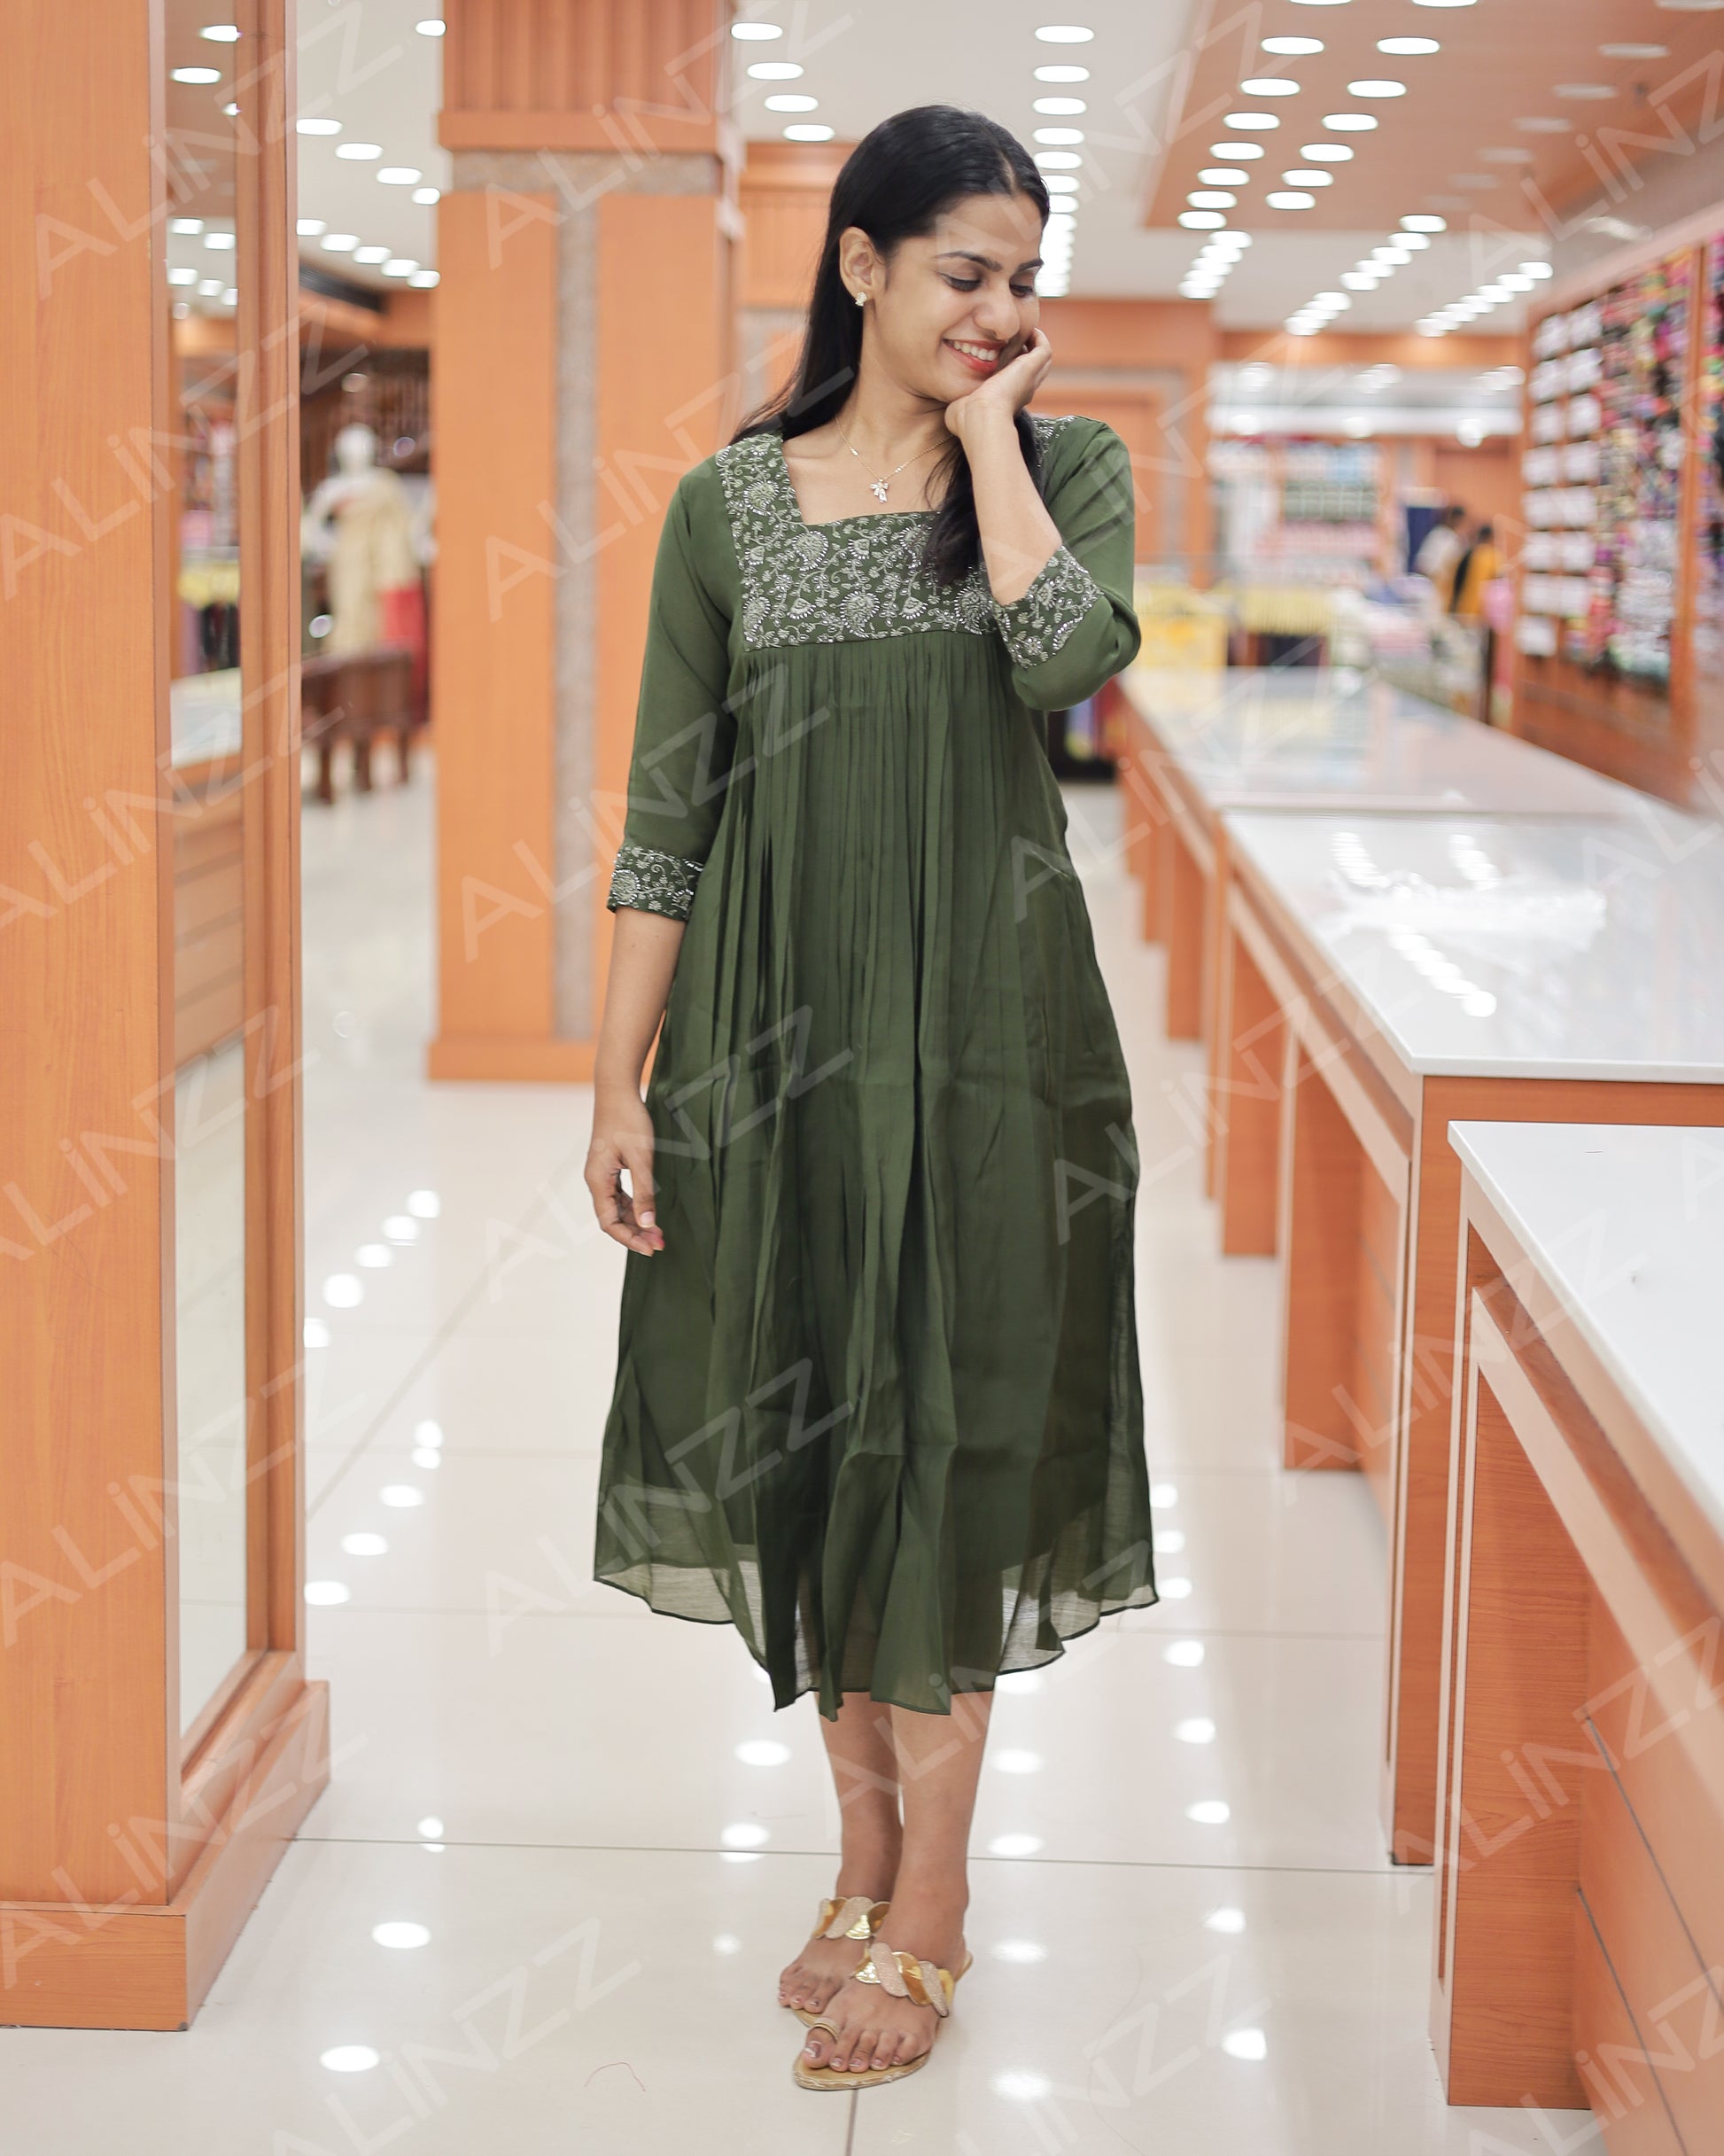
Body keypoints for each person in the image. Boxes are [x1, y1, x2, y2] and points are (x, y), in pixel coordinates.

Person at [582, 105, 1158, 2093]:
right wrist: (617, 1076)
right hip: (770, 1034)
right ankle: (856, 1851)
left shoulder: (1068, 468)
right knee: (816, 1419)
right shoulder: (725, 506)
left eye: (1023, 281)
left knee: (953, 1425)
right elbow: (667, 813)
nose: (997, 310)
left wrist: (990, 440)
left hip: (991, 1029)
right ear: (859, 266)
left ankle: (937, 1894)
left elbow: (1067, 665)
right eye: (960, 274)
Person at [1414, 502, 1467, 608]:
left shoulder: (1456, 540)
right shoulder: (1438, 535)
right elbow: (1423, 562)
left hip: (1445, 587)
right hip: (1430, 584)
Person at [1448, 519, 1502, 618]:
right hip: (1481, 610)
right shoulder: (1491, 556)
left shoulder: (1468, 552)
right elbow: (1498, 580)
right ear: (1491, 537)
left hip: (1462, 605)